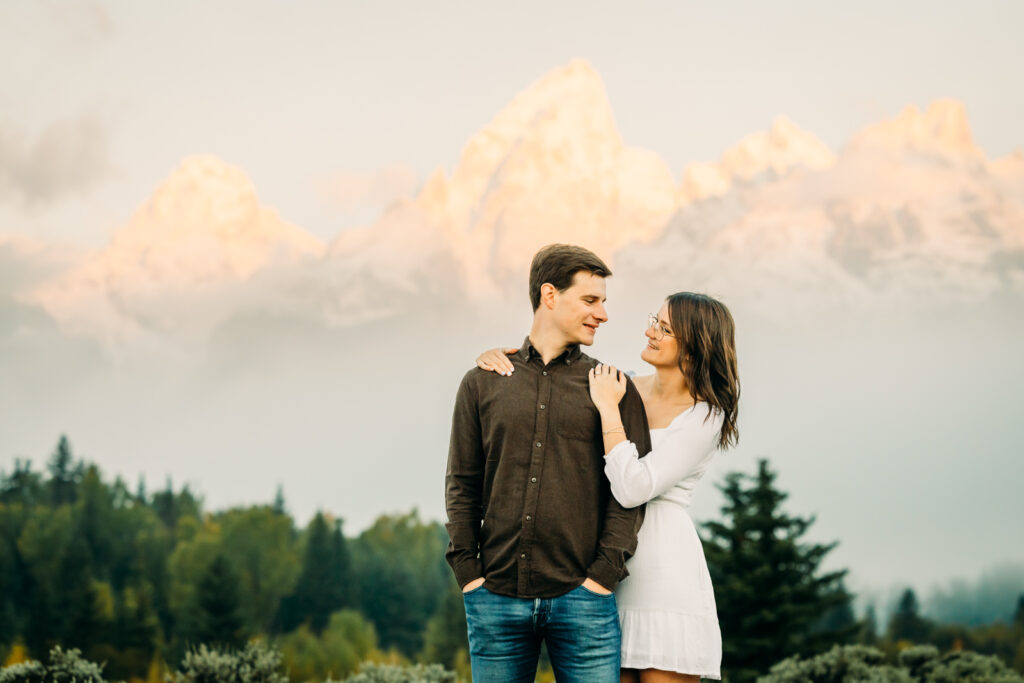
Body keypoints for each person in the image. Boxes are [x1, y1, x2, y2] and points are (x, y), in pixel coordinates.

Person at [476, 292, 740, 682]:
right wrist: (500, 362)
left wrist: (608, 411)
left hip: (664, 577)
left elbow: (635, 487)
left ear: (695, 345)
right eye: (655, 319)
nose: (650, 331)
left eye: (664, 329)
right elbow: (548, 402)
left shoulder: (705, 414)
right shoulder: (623, 385)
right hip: (606, 573)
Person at [445, 244, 653, 683]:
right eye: (590, 300)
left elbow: (629, 495)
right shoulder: (482, 383)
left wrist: (602, 577)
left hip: (585, 601)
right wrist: (468, 573)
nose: (603, 314)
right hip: (495, 598)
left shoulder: (613, 389)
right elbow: (462, 483)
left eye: (604, 303)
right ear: (550, 295)